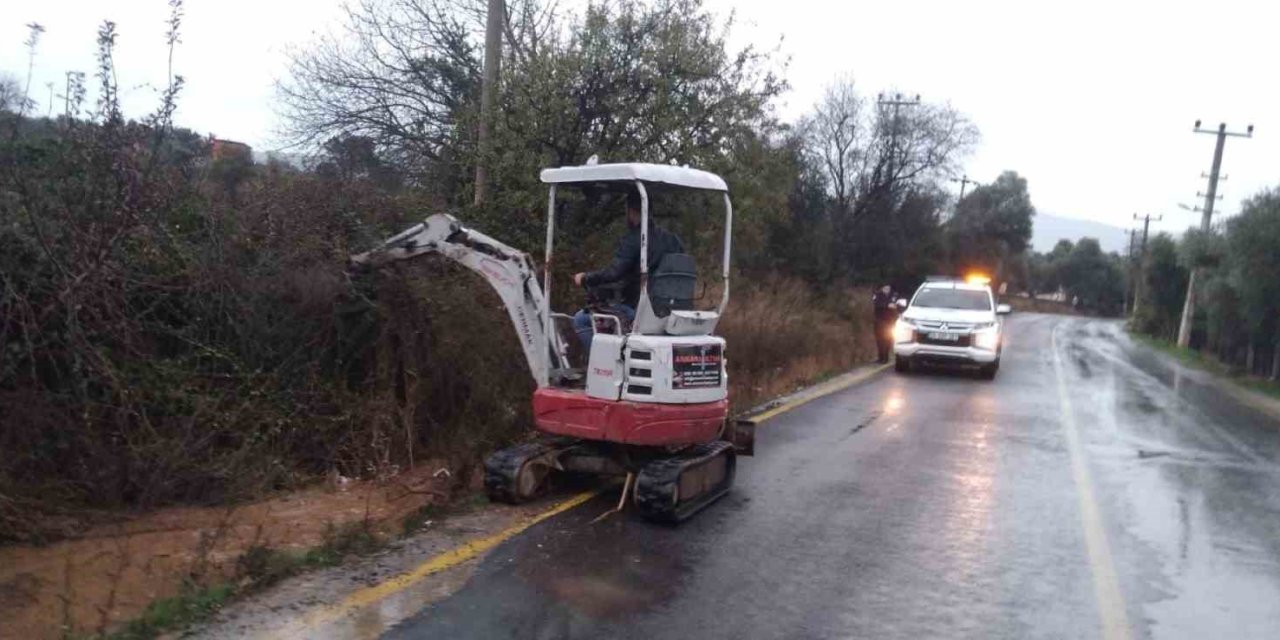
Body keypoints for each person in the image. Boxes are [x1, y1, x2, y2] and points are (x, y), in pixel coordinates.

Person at [572, 190, 683, 351]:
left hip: (640, 311)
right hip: (669, 311)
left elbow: (615, 272)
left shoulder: (635, 239)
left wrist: (585, 278)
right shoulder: (673, 240)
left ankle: (602, 367)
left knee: (581, 319)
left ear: (630, 211)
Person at [872, 284, 898, 363]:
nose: (887, 289)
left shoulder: (893, 296)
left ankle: (886, 357)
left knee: (888, 339)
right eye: (885, 288)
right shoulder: (877, 295)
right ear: (882, 288)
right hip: (880, 320)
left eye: (888, 288)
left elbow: (897, 306)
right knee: (879, 339)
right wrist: (887, 305)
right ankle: (880, 357)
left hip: (890, 322)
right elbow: (876, 304)